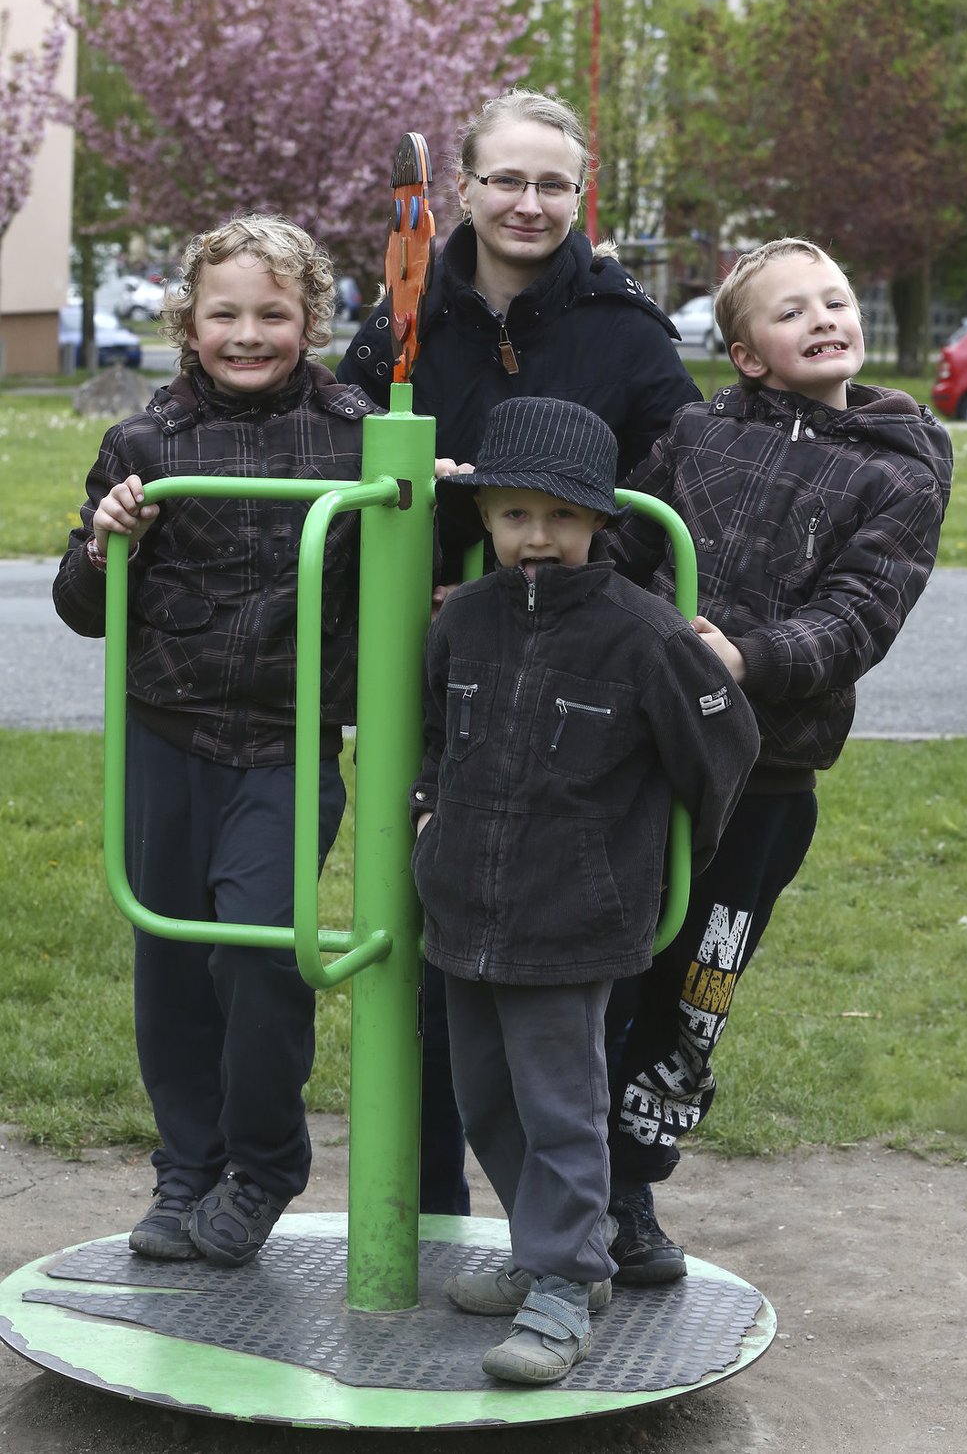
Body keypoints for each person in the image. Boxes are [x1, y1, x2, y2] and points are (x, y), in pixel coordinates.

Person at [339, 86, 701, 1213]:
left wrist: (575, 591)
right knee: (439, 931)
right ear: (463, 188)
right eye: (507, 179)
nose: (530, 203)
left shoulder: (624, 329)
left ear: (582, 194)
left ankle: (607, 1210)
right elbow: (356, 480)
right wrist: (428, 584)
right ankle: (433, 1197)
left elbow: (673, 485)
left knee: (588, 938)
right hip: (441, 674)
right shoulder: (405, 322)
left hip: (582, 676)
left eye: (554, 183)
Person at [602, 238, 953, 1286]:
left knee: (695, 987)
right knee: (609, 970)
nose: (823, 319)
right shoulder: (697, 434)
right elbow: (621, 545)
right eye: (791, 311)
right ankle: (576, 1188)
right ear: (747, 354)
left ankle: (636, 1184)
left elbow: (861, 616)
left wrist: (750, 659)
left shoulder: (901, 464)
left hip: (765, 780)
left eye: (836, 300)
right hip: (641, 760)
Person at [410, 395, 760, 1384]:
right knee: (486, 1101)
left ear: (601, 523)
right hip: (465, 913)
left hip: (573, 921)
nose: (538, 536)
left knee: (561, 1107)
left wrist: (641, 858)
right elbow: (437, 732)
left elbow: (724, 745)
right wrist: (429, 812)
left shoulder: (641, 634)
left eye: (563, 518)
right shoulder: (464, 620)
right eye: (517, 514)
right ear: (484, 519)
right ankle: (549, 1255)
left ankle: (564, 1288)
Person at [52, 213, 379, 1268]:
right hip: (167, 739)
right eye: (224, 313)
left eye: (273, 314)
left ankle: (260, 1165)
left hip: (285, 746)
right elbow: (81, 609)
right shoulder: (146, 446)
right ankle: (184, 1166)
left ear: (312, 318)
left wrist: (424, 486)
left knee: (263, 960)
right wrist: (109, 543)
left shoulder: (354, 431)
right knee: (174, 964)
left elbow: (408, 556)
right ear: (187, 322)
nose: (248, 333)